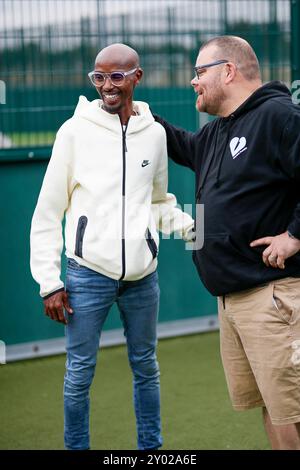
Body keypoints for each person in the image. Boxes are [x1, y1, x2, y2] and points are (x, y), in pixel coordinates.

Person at [30, 43, 194, 451]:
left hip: (143, 278)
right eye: (98, 77)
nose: (107, 85)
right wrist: (50, 282)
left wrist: (201, 230)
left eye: (116, 76)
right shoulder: (74, 132)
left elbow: (159, 202)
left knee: (146, 369)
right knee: (79, 374)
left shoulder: (154, 134)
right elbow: (48, 211)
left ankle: (151, 450)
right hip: (87, 275)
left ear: (136, 77)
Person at [154, 35, 300, 450]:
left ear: (229, 71)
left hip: (274, 296)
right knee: (274, 409)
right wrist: (136, 111)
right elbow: (181, 144)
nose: (193, 81)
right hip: (233, 300)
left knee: (293, 411)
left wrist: (294, 236)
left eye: (200, 72)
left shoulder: (280, 117)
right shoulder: (218, 131)